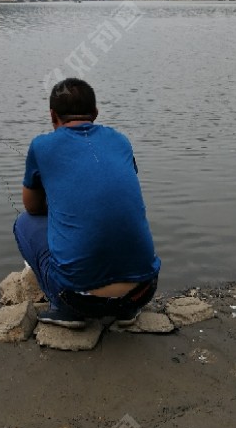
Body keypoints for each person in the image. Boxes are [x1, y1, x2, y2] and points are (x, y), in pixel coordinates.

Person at [13, 78, 161, 328]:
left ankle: (65, 309)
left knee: (24, 223)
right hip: (143, 291)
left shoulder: (41, 146)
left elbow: (33, 207)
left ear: (52, 115)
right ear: (95, 113)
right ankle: (125, 311)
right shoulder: (120, 140)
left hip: (78, 301)